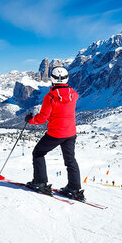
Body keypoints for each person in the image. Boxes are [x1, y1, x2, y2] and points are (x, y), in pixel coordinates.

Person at [25, 66, 84, 200]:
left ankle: (40, 182)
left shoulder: (50, 97)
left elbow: (42, 118)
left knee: (38, 153)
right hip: (71, 133)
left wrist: (30, 120)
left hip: (56, 133)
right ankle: (74, 188)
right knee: (70, 160)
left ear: (52, 79)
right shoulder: (74, 94)